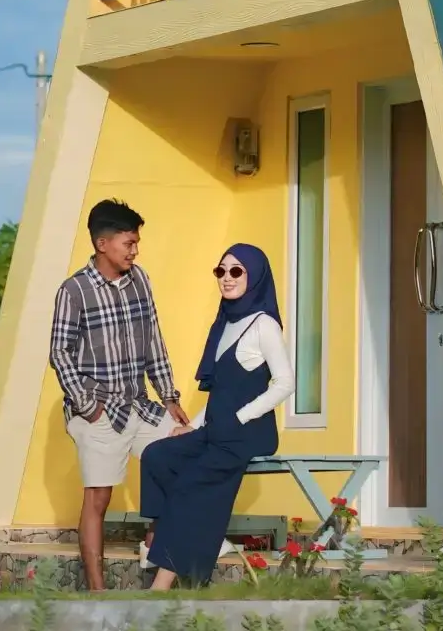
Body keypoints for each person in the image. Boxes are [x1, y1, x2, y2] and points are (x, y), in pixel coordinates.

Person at [49, 198, 188, 590]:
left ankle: (155, 543)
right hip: (97, 409)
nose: (135, 251)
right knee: (98, 498)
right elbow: (59, 352)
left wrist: (169, 397)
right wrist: (87, 406)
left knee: (183, 454)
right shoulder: (74, 291)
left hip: (138, 405)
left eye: (136, 243)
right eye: (129, 243)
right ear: (102, 244)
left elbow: (153, 339)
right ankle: (98, 594)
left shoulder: (140, 279)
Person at [140, 243, 294, 589]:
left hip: (247, 433)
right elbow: (222, 391)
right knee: (157, 456)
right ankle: (195, 535)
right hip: (218, 429)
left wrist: (241, 417)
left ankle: (160, 586)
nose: (227, 277)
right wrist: (193, 426)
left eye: (236, 271)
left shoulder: (263, 325)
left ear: (255, 276)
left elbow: (285, 383)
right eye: (220, 270)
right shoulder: (225, 322)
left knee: (190, 486)